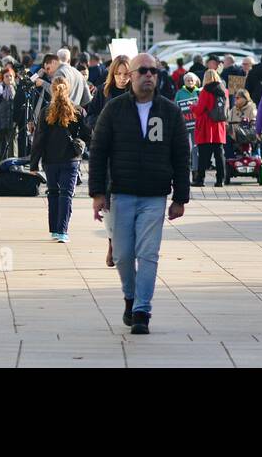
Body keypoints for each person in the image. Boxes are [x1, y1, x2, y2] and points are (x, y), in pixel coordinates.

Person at [89, 53, 190, 335]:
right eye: (142, 71)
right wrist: (97, 193)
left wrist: (180, 197)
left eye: (153, 71)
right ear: (130, 76)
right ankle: (130, 298)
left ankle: (142, 310)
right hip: (121, 193)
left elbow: (182, 155)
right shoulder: (115, 109)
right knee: (122, 255)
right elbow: (98, 151)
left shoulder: (169, 111)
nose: (148, 75)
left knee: (148, 253)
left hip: (154, 195)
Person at [30, 76, 92, 243]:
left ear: (52, 90)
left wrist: (34, 163)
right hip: (71, 158)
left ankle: (54, 229)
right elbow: (88, 134)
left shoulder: (45, 112)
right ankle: (62, 230)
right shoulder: (78, 111)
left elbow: (39, 139)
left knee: (53, 192)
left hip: (50, 159)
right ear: (68, 89)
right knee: (66, 194)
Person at [86, 55, 133, 268]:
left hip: (130, 156)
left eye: (126, 74)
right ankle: (112, 242)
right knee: (108, 203)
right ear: (112, 74)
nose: (123, 79)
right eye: (119, 74)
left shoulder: (137, 94)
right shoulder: (103, 92)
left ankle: (124, 245)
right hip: (107, 154)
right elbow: (90, 116)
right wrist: (103, 124)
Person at [192, 69, 228, 187]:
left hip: (206, 125)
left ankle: (200, 180)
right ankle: (220, 180)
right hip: (219, 125)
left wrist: (192, 106)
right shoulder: (224, 90)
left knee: (203, 155)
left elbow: (200, 109)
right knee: (219, 154)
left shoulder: (206, 91)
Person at [174, 72, 201, 174]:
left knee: (195, 148)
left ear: (195, 82)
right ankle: (184, 168)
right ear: (184, 81)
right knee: (184, 148)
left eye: (192, 80)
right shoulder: (180, 93)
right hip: (183, 124)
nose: (190, 82)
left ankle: (195, 170)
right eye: (187, 80)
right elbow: (175, 106)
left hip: (196, 124)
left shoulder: (199, 92)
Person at [0, 65, 18, 160]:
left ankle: (13, 160)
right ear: (2, 77)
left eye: (11, 76)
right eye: (6, 76)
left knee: (13, 142)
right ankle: (2, 160)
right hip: (1, 119)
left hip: (13, 119)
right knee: (2, 142)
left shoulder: (17, 88)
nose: (9, 78)